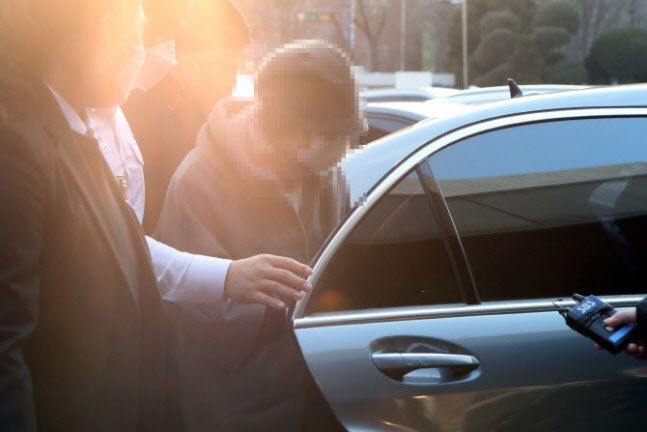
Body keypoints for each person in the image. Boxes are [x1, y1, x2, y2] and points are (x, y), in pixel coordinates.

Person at [0, 1, 311, 430]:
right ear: (99, 34)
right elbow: (6, 343)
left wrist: (227, 276)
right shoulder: (20, 147)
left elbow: (120, 243)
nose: (140, 52)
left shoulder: (73, 129)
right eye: (134, 36)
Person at [156, 40, 365, 431]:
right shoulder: (198, 182)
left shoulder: (326, 173)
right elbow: (190, 304)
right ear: (304, 137)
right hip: (237, 404)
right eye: (340, 138)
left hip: (316, 393)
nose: (347, 149)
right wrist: (290, 306)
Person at [124, 0, 249, 232]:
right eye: (222, 67)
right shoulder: (143, 121)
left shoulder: (219, 120)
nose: (231, 81)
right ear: (182, 60)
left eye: (235, 68)